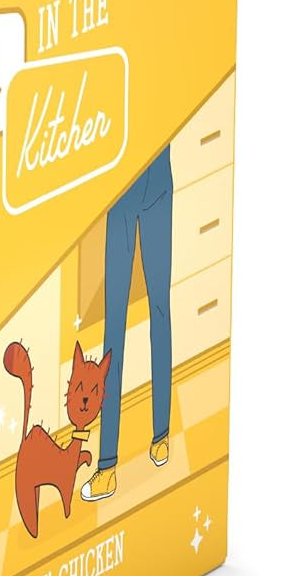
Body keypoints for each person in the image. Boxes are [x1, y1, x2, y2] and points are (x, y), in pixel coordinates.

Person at [82, 147, 173, 503]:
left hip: (156, 178)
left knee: (159, 308)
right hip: (124, 184)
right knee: (116, 325)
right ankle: (108, 466)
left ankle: (160, 434)